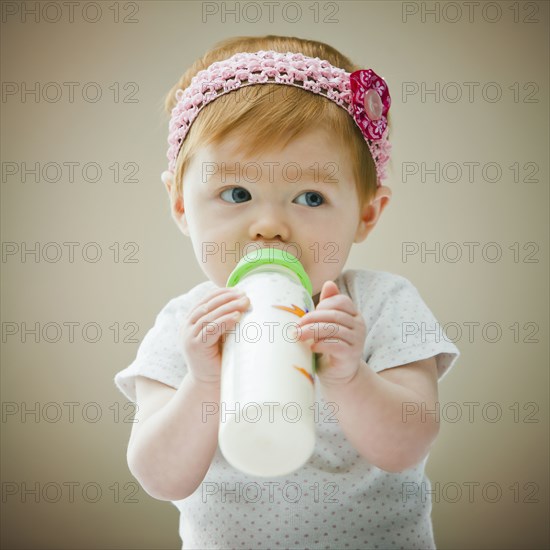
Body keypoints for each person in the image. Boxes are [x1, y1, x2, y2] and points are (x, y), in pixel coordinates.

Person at [114, 35, 460, 550]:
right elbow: (160, 477)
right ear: (182, 205)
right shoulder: (185, 326)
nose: (270, 226)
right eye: (237, 194)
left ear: (367, 213)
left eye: (310, 197)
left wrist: (350, 378)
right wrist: (204, 382)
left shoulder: (381, 306)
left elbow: (408, 442)